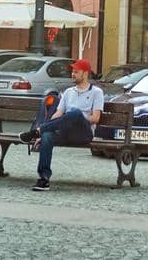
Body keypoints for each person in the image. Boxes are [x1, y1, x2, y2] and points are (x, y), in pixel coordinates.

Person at [19, 59, 104, 192]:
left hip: (84, 133)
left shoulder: (96, 92)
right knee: (47, 135)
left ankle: (37, 131)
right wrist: (48, 128)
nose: (73, 74)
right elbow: (57, 115)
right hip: (65, 132)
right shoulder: (68, 92)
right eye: (72, 72)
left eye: (76, 72)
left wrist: (78, 117)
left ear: (85, 74)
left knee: (75, 112)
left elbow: (95, 118)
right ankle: (44, 179)